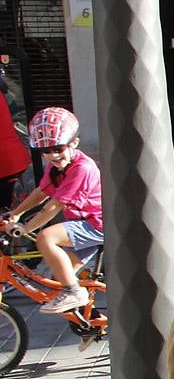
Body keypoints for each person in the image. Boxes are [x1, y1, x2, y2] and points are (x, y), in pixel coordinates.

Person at [0, 107, 102, 313]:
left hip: (97, 224)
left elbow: (53, 206)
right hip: (81, 222)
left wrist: (24, 228)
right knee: (60, 278)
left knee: (46, 238)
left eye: (58, 148)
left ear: (74, 142)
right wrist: (16, 213)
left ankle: (75, 292)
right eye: (45, 151)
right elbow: (42, 192)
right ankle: (89, 323)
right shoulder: (57, 167)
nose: (53, 155)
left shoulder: (82, 168)